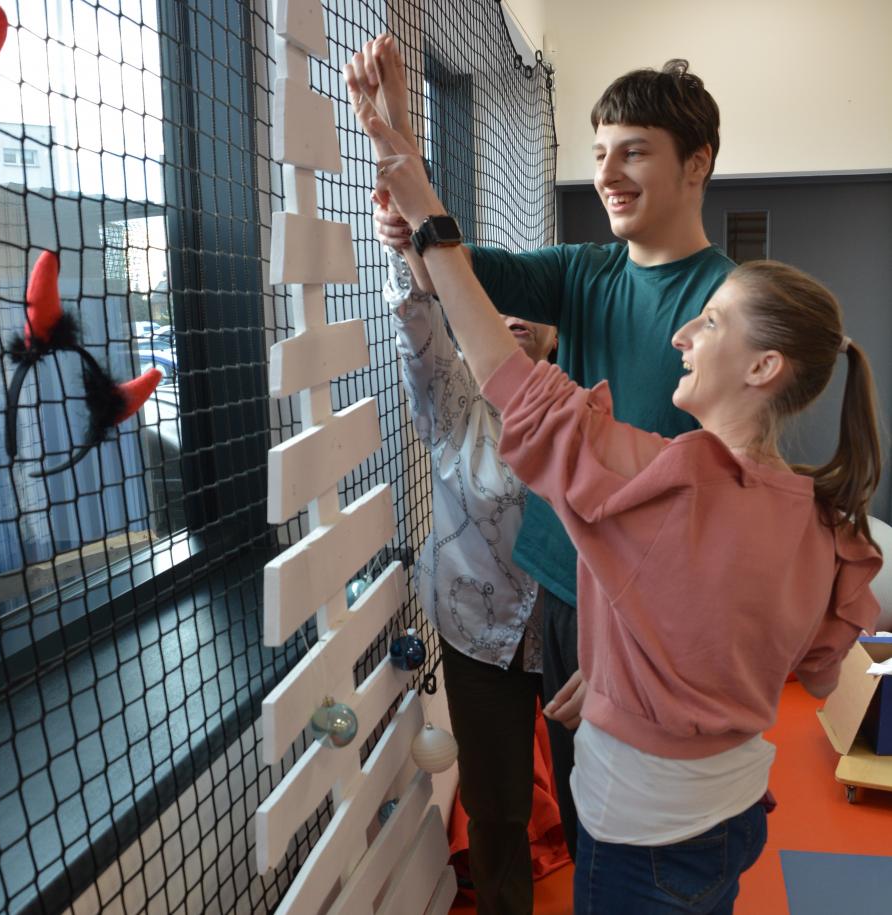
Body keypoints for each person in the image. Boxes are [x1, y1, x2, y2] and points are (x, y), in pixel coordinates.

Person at [361, 115, 884, 914]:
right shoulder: (824, 516)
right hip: (735, 814)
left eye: (710, 322)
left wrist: (418, 195)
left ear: (763, 367)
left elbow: (511, 382)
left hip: (642, 835)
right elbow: (810, 664)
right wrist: (620, 676)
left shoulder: (667, 485)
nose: (683, 335)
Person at [348, 36, 736, 857]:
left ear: (697, 163)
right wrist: (402, 168)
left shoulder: (730, 301)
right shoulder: (587, 271)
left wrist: (638, 648)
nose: (608, 173)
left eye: (634, 151)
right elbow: (457, 271)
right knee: (566, 802)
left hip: (641, 612)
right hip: (562, 586)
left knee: (621, 826)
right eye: (599, 153)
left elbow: (720, 511)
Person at [380, 198, 560, 911]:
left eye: (530, 305)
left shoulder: (585, 404)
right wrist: (410, 251)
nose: (513, 315)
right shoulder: (455, 401)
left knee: (592, 792)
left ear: (555, 327)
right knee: (496, 806)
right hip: (477, 635)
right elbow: (419, 330)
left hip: (571, 634)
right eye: (494, 302)